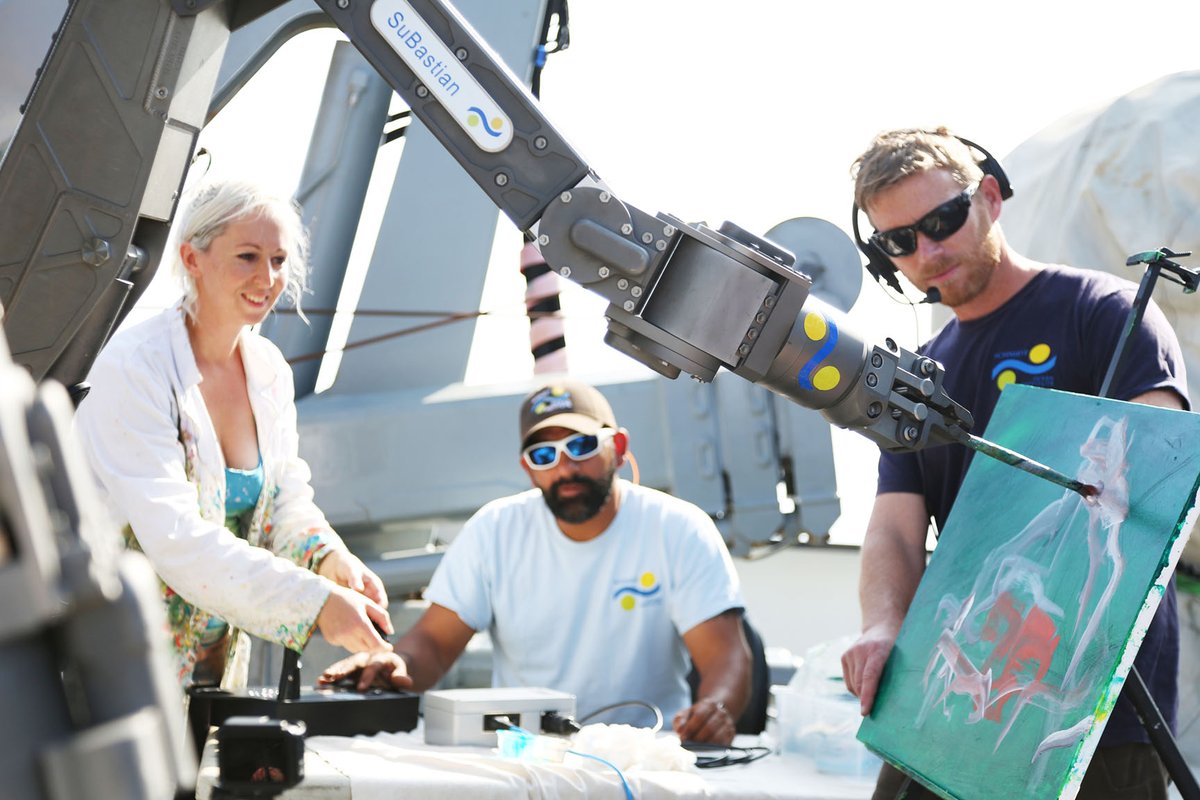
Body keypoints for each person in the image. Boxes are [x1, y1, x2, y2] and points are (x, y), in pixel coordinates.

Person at [839, 128, 1188, 800]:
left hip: (1091, 708)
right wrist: (882, 626)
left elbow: (1162, 477)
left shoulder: (1104, 312)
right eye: (900, 241)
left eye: (942, 220)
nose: (928, 251)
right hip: (950, 698)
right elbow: (892, 530)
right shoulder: (919, 379)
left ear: (991, 197)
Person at [74, 180, 393, 692]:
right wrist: (313, 604)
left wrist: (330, 559)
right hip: (116, 671)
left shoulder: (268, 369)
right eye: (247, 256)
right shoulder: (134, 368)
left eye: (278, 260)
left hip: (216, 671)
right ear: (191, 259)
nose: (266, 278)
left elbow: (286, 498)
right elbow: (173, 538)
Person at [321, 378, 752, 745]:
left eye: (581, 445)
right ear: (528, 470)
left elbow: (726, 657)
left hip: (644, 758)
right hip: (526, 758)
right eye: (543, 456)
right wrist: (394, 664)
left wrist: (713, 711)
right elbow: (433, 644)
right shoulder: (495, 529)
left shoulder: (678, 528)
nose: (564, 468)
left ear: (618, 448)